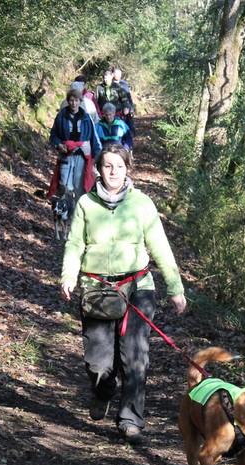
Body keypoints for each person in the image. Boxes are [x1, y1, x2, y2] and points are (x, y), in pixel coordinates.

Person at [60, 143, 187, 445]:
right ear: (98, 170)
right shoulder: (86, 204)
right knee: (98, 363)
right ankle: (103, 391)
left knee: (135, 357)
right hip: (97, 289)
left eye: (119, 166)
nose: (113, 171)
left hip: (137, 288)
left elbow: (160, 247)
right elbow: (75, 244)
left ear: (128, 169)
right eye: (107, 166)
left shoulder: (142, 204)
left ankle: (130, 421)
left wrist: (175, 288)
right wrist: (68, 275)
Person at [48, 88, 102, 201]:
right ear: (68, 101)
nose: (74, 103)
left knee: (78, 186)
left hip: (81, 155)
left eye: (76, 100)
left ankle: (78, 211)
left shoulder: (86, 118)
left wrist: (97, 157)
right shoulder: (61, 116)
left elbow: (94, 137)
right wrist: (58, 145)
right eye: (71, 100)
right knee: (65, 184)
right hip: (65, 154)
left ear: (80, 101)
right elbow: (54, 134)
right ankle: (67, 208)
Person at [113, 67, 136, 137]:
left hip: (126, 108)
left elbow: (129, 97)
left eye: (120, 74)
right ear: (113, 74)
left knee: (129, 126)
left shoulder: (124, 84)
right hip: (115, 110)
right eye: (117, 74)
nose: (119, 76)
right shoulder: (110, 85)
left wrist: (131, 108)